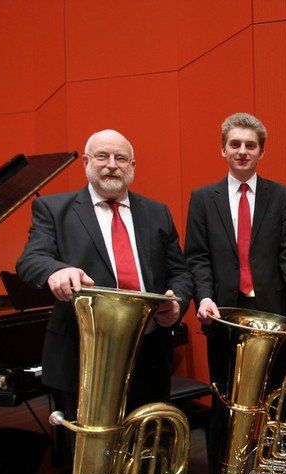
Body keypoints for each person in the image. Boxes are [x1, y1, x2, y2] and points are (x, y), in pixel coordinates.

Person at [184, 112, 286, 474]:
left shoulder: (280, 195)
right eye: (235, 144)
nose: (242, 151)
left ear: (261, 152)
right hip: (223, 320)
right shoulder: (203, 198)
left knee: (278, 410)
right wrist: (203, 296)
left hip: (274, 321)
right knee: (224, 413)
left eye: (250, 145)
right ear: (223, 149)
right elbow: (197, 257)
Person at [16, 129, 192, 419]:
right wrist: (57, 270)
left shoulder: (157, 212)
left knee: (146, 440)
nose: (112, 164)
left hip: (148, 352)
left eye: (120, 158)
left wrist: (177, 304)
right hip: (84, 356)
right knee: (90, 445)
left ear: (132, 166)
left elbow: (180, 272)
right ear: (87, 162)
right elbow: (30, 260)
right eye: (102, 156)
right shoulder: (53, 209)